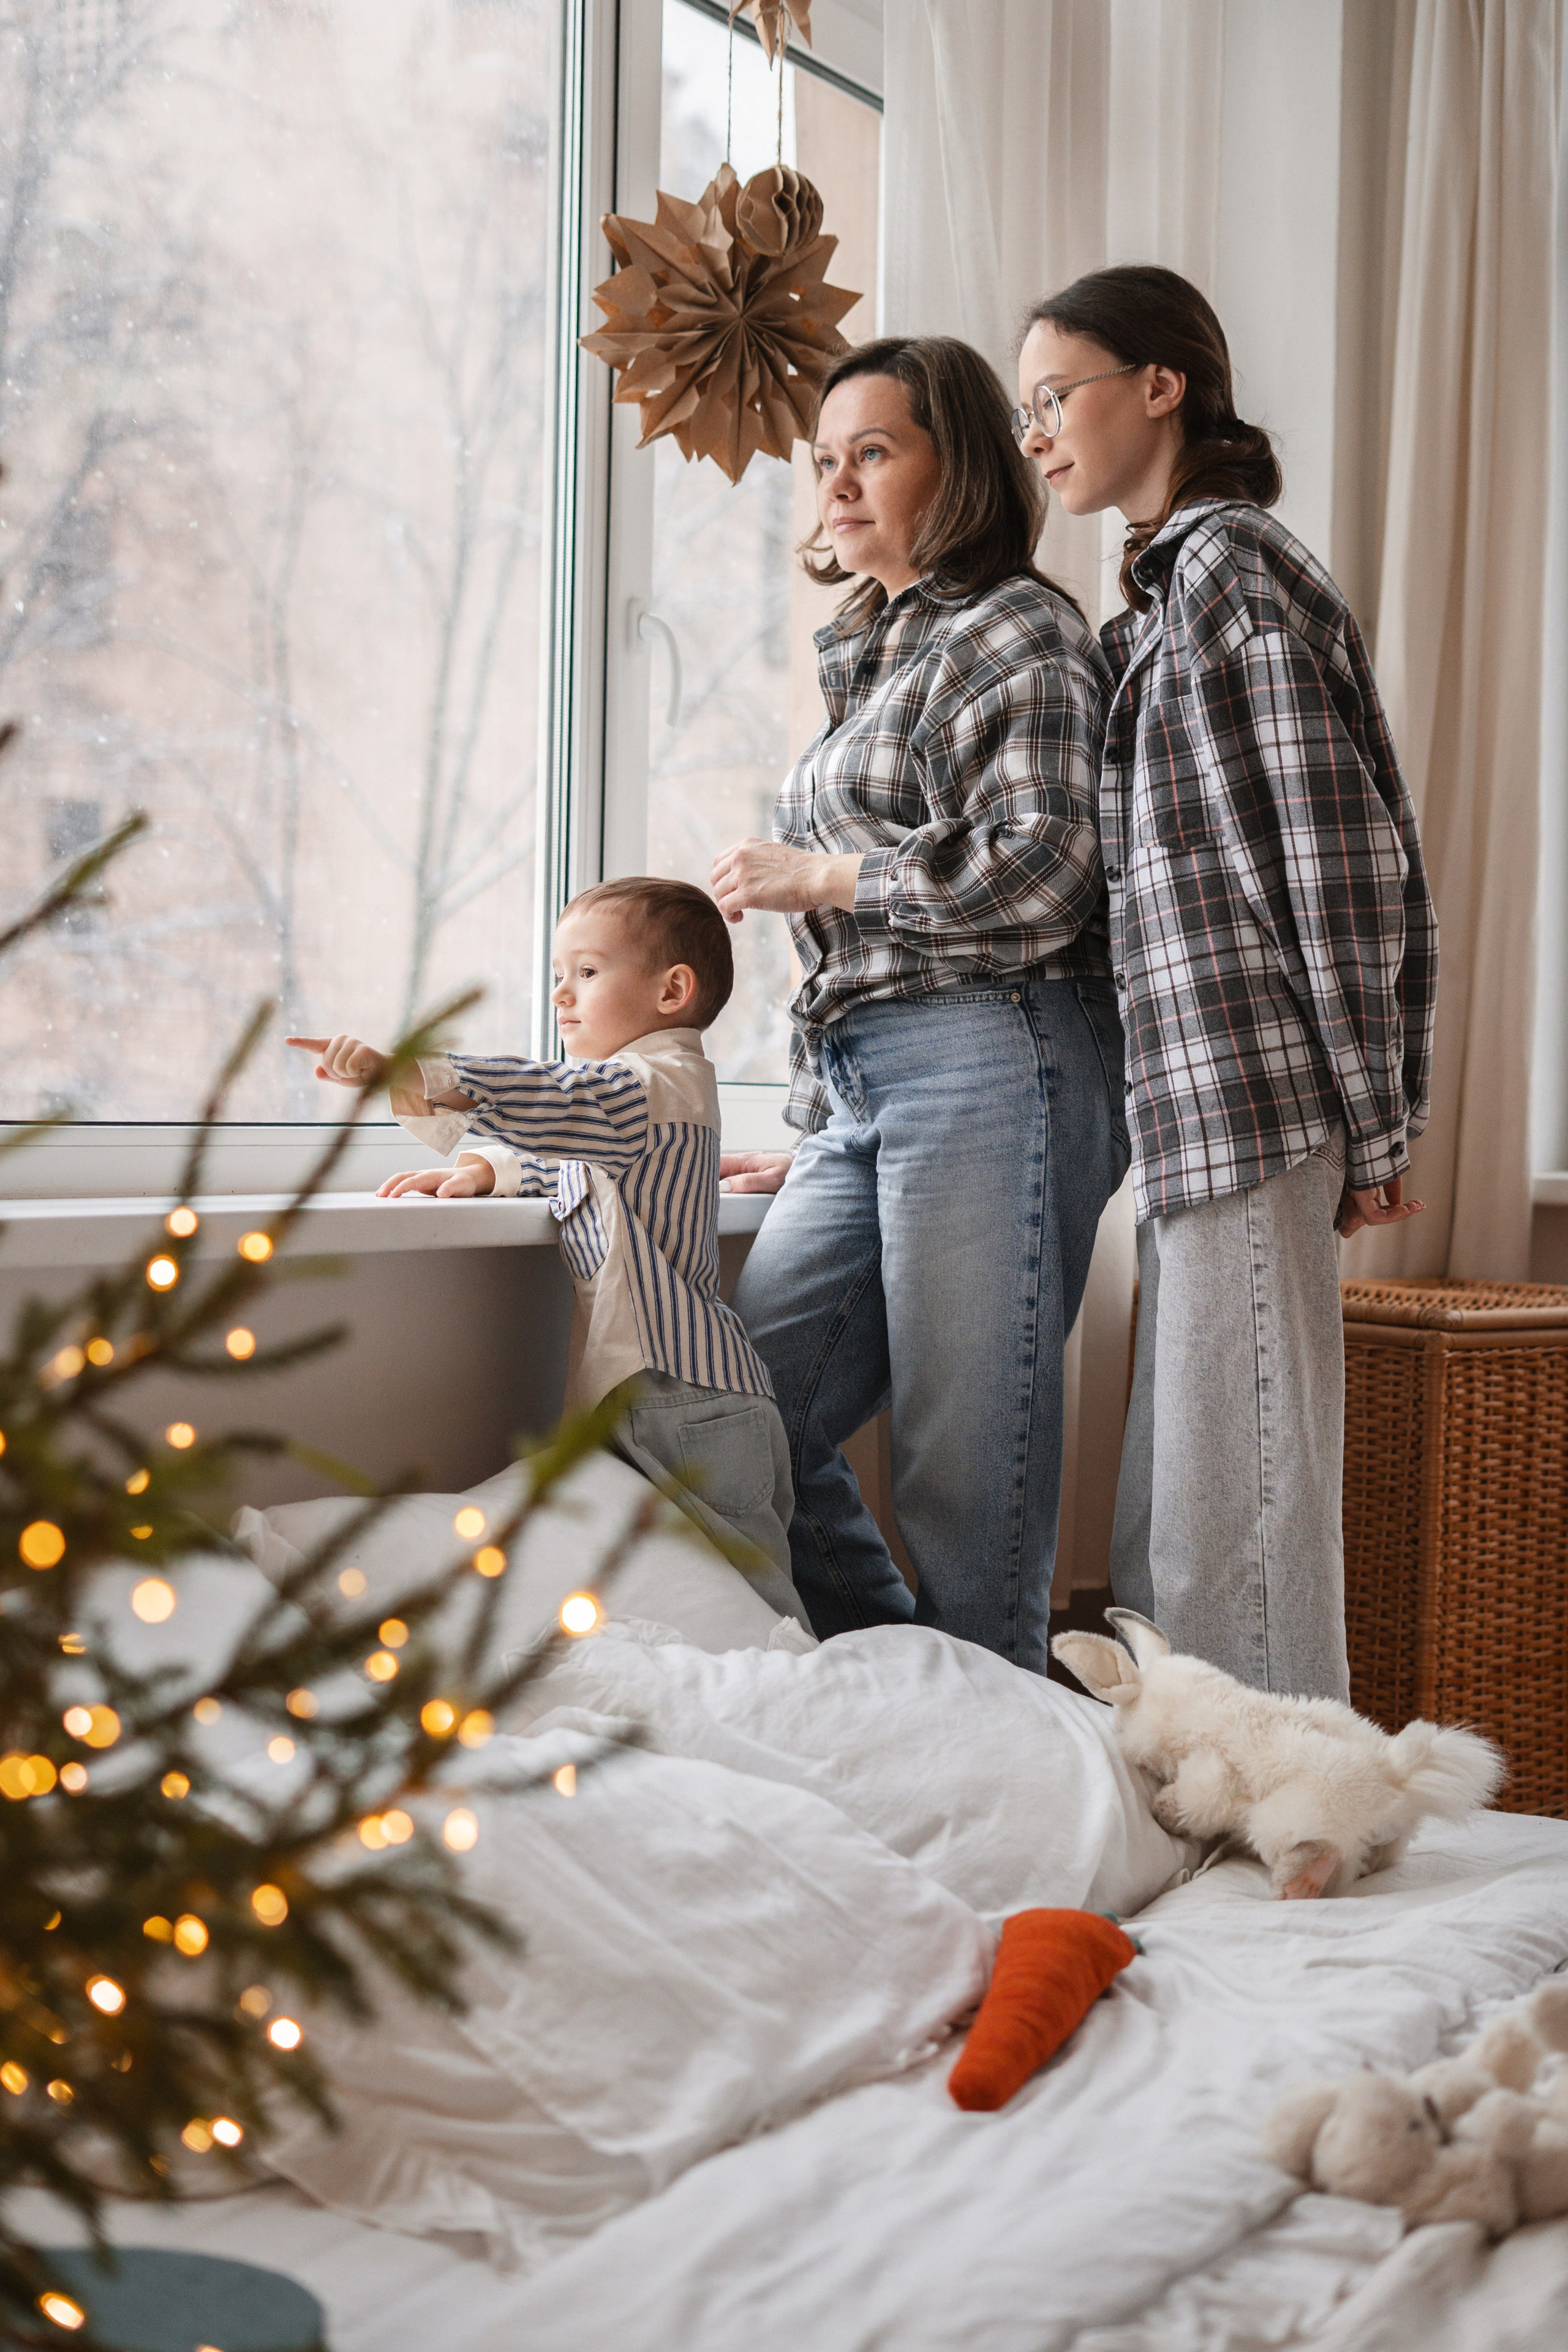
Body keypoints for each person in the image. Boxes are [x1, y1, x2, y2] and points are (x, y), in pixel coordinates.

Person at [1014, 263, 1438, 1702]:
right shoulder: (1165, 590)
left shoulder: (1226, 571)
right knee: (1179, 1508)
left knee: (1239, 1509)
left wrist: (1374, 1126)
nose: (1037, 435)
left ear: (1159, 383)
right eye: (1021, 413)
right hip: (1201, 1108)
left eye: (1052, 396)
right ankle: (1214, 1808)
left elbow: (1335, 865)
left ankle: (1292, 1845)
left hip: (1252, 1100)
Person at [710, 334, 1127, 1674]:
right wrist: (829, 1117)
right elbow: (855, 960)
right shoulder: (870, 654)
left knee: (966, 1472)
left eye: (871, 453)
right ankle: (922, 1690)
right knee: (722, 1414)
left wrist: (825, 872)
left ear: (957, 467)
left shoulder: (1017, 623)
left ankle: (998, 1776)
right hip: (874, 1083)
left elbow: (1042, 875)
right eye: (825, 460)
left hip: (997, 1052)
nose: (835, 486)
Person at [285, 877, 806, 1624]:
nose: (562, 996)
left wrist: (417, 1071)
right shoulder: (646, 1100)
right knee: (693, 1598)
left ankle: (801, 1696)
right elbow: (581, 1174)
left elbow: (555, 1096)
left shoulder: (647, 1084)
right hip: (673, 1393)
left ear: (672, 991)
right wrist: (482, 1171)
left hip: (685, 1397)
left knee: (754, 1606)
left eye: (586, 974)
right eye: (559, 977)